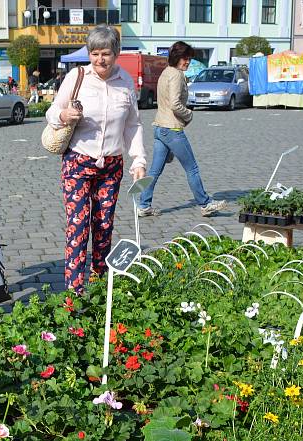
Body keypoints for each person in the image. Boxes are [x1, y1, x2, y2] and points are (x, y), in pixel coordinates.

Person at [46, 25, 147, 293]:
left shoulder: (125, 81)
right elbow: (52, 111)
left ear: (116, 53)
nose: (100, 59)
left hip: (112, 165)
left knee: (103, 226)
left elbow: (133, 125)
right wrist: (63, 116)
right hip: (79, 162)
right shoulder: (76, 77)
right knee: (78, 227)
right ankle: (74, 292)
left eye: (106, 53)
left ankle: (101, 286)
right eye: (94, 53)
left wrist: (139, 160)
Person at [137, 41, 226, 218]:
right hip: (172, 129)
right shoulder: (176, 75)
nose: (188, 62)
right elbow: (175, 104)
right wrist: (189, 115)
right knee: (191, 168)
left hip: (160, 126)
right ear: (177, 58)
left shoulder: (165, 72)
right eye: (186, 58)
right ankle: (205, 203)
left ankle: (143, 205)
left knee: (155, 171)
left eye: (189, 59)